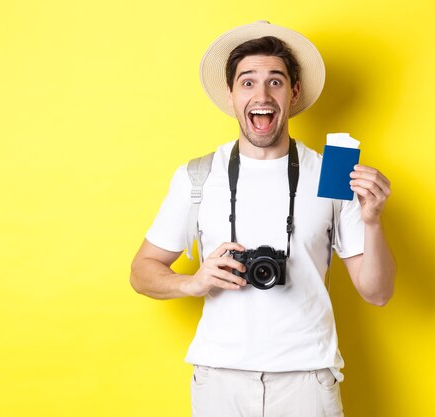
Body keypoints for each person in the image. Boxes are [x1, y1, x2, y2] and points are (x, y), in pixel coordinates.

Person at [130, 20, 396, 417]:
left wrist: (373, 221)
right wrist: (194, 281)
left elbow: (377, 293)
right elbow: (141, 272)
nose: (263, 93)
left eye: (276, 81)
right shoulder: (198, 176)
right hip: (220, 380)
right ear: (232, 94)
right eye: (248, 81)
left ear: (294, 92)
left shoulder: (332, 176)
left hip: (308, 379)